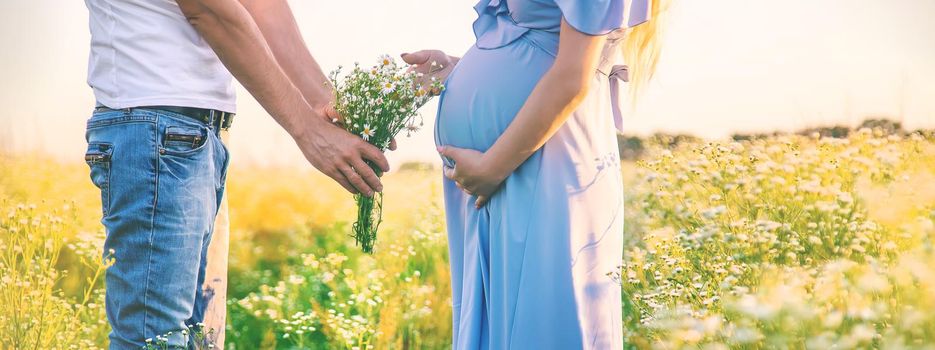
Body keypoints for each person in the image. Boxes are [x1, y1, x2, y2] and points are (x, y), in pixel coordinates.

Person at [82, 0, 389, 347]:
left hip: (194, 136)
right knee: (155, 338)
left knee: (199, 339)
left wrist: (325, 104)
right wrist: (308, 130)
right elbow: (208, 9)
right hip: (155, 127)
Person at [403, 0, 661, 348]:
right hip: (503, 171)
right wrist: (459, 70)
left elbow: (573, 75)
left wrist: (493, 167)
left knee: (542, 324)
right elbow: (539, 46)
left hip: (540, 163)